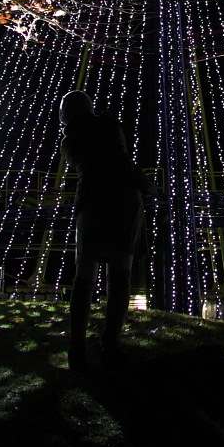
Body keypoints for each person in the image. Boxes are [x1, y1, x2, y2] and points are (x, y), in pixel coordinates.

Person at [59, 90, 154, 369]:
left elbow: (89, 167)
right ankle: (110, 345)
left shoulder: (69, 141)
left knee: (84, 278)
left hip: (90, 201)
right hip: (123, 200)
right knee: (120, 274)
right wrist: (149, 187)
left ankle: (76, 348)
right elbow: (122, 162)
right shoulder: (107, 124)